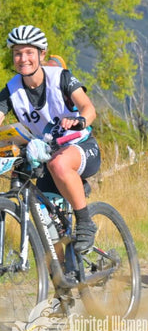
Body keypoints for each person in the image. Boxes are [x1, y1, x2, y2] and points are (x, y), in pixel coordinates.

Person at [0, 25, 101, 254]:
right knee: (51, 236)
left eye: (29, 52)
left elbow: (88, 108)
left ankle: (85, 223)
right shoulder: (10, 90)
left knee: (58, 163)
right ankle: (63, 282)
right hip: (45, 154)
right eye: (17, 53)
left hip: (80, 146)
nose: (23, 58)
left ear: (41, 54)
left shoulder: (61, 78)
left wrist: (80, 120)